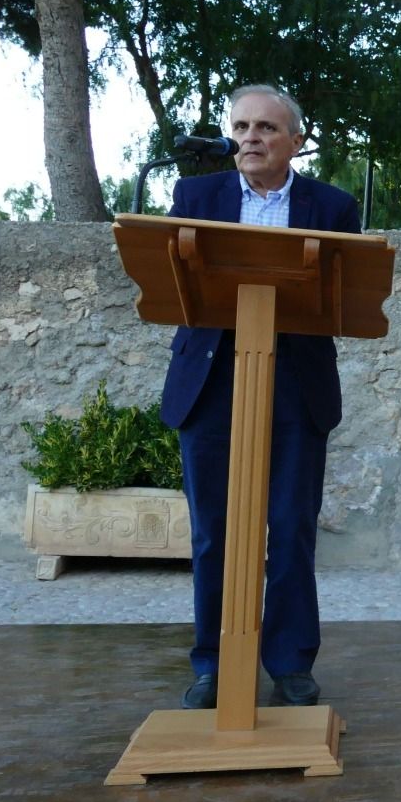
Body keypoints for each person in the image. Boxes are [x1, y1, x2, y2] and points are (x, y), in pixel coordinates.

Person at [160, 85, 361, 710]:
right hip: (212, 381)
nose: (251, 137)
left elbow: (342, 298)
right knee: (212, 532)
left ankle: (290, 662)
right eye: (242, 126)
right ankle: (215, 665)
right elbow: (174, 282)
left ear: (295, 142)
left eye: (267, 128)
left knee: (291, 527)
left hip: (295, 383)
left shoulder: (332, 206)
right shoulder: (195, 198)